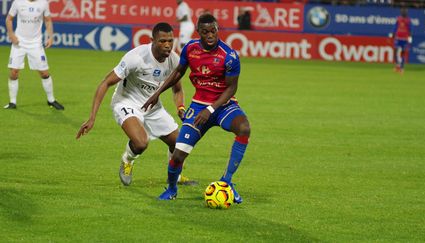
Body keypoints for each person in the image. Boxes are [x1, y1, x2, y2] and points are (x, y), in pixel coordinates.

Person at [143, 14, 251, 203]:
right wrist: (157, 93)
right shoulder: (190, 49)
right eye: (205, 32)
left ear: (218, 29)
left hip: (224, 106)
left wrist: (210, 110)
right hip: (198, 105)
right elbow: (178, 72)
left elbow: (231, 87)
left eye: (213, 31)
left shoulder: (229, 55)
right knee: (177, 155)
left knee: (244, 128)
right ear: (198, 32)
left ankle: (227, 182)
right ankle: (171, 189)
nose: (210, 35)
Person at [76, 23, 195, 186]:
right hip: (127, 102)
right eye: (162, 41)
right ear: (152, 40)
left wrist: (180, 107)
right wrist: (92, 118)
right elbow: (106, 83)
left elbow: (177, 89)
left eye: (170, 41)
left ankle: (175, 176)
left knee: (179, 143)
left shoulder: (174, 60)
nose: (167, 45)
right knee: (141, 143)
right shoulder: (136, 57)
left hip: (153, 107)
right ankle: (127, 160)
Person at [4, 0, 64, 110]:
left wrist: (50, 37)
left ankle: (51, 100)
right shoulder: (18, 2)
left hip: (35, 43)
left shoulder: (43, 3)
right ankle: (12, 102)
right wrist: (11, 34)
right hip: (19, 42)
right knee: (14, 72)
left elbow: (48, 20)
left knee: (44, 73)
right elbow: (9, 19)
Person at [389, 7, 412, 74]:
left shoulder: (408, 20)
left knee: (403, 53)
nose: (404, 13)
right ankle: (397, 65)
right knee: (395, 51)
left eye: (405, 12)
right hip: (398, 38)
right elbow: (395, 27)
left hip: (404, 39)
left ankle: (402, 68)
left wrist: (410, 37)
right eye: (403, 11)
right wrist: (393, 34)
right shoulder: (398, 19)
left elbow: (410, 29)